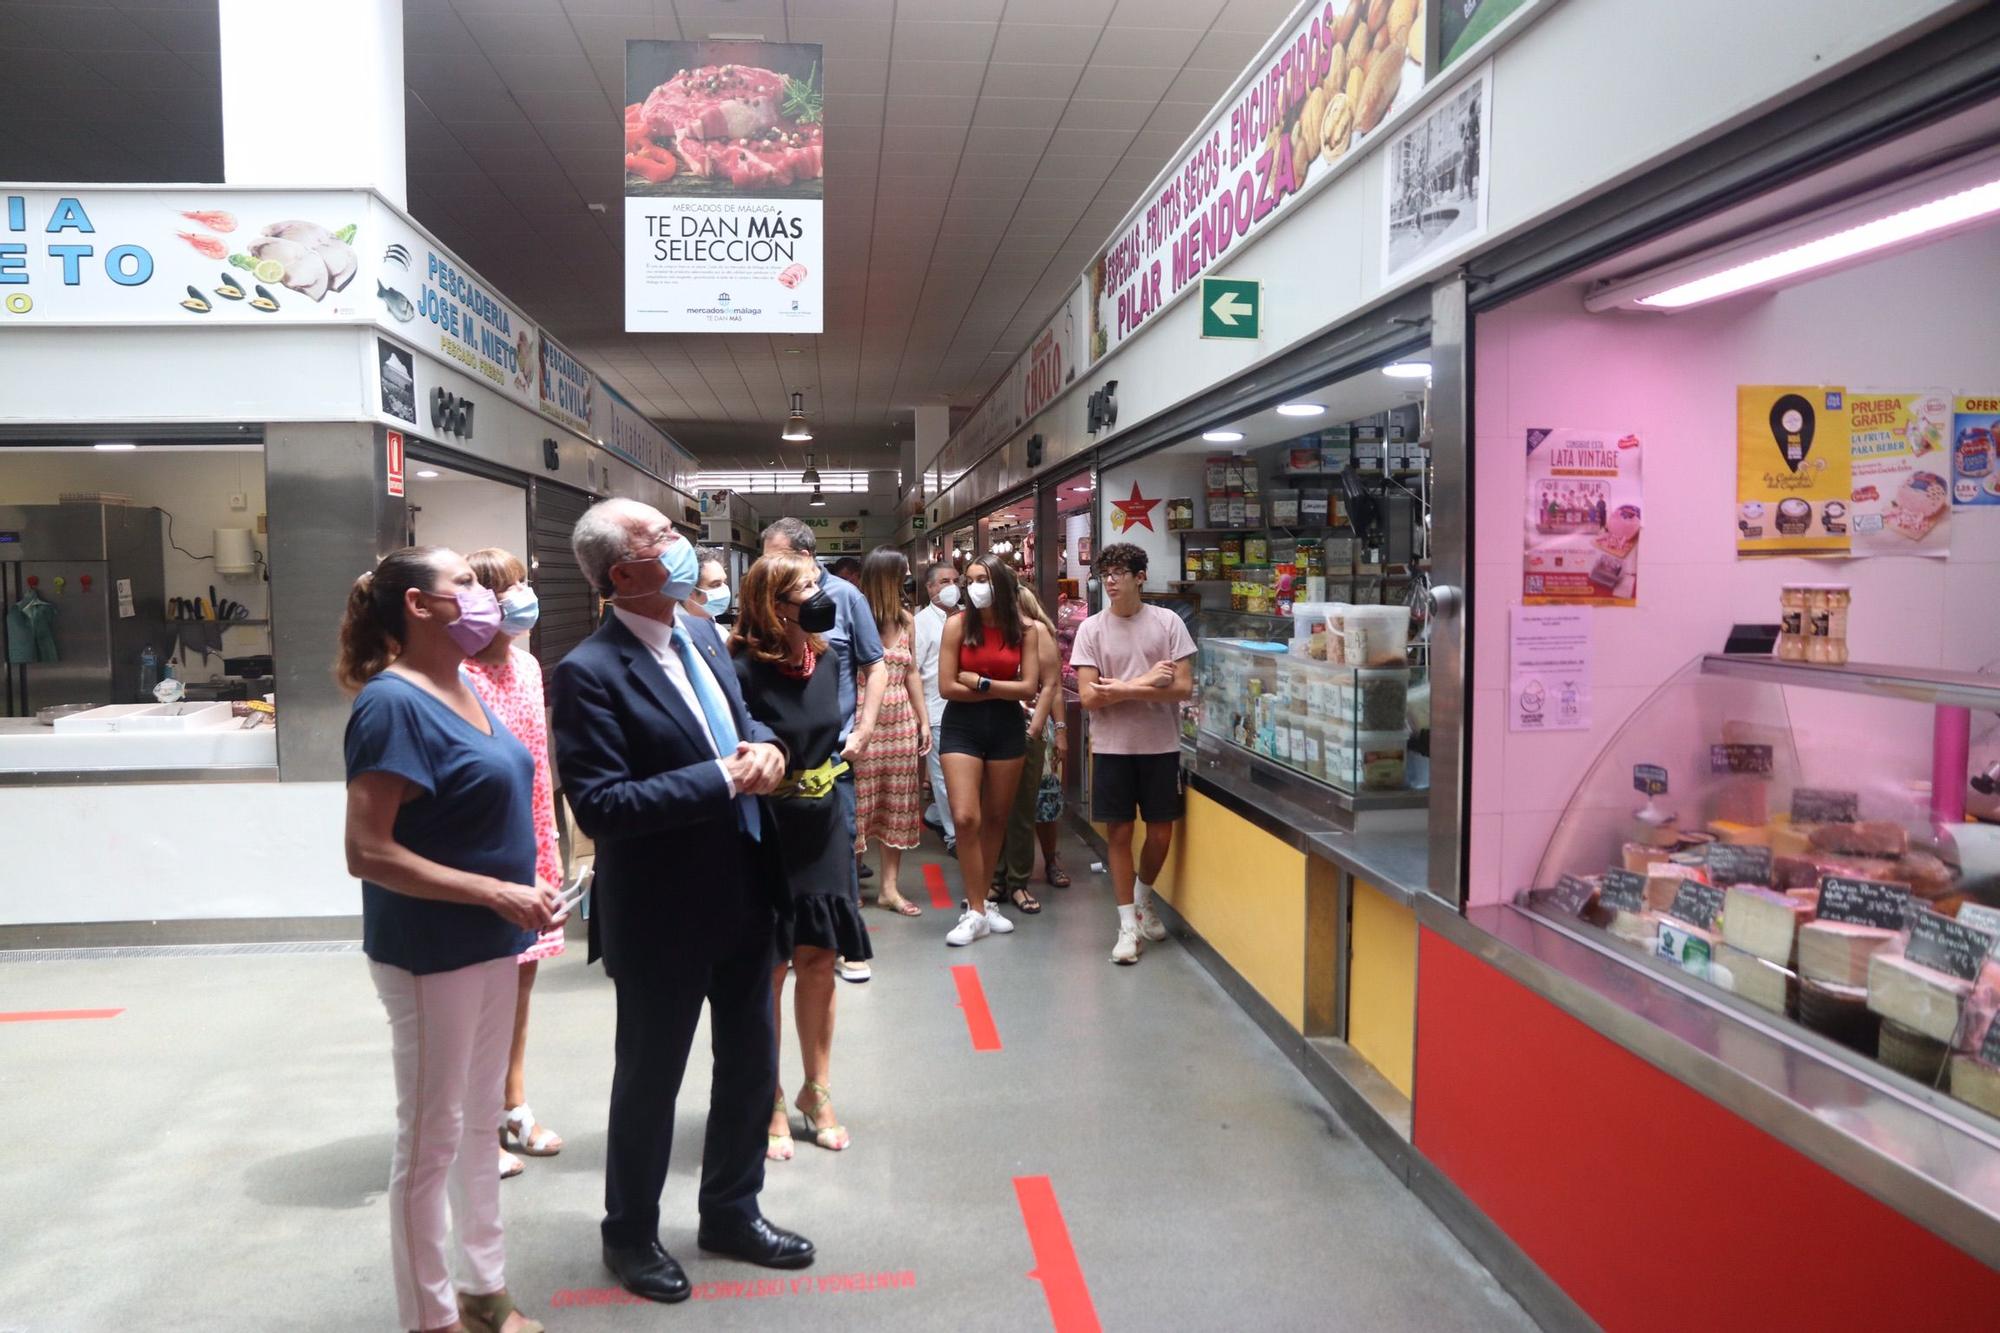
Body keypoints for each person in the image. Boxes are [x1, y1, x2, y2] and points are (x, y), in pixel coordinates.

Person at [550, 500, 813, 1305]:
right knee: (650, 1078)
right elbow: (602, 806)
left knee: (750, 1065)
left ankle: (732, 1210)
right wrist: (720, 778)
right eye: (660, 539)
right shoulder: (587, 672)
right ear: (620, 575)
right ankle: (629, 1232)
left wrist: (768, 749)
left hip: (745, 887)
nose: (680, 546)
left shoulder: (700, 634)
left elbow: (742, 725)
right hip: (662, 910)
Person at [339, 545, 562, 1333]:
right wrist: (495, 890)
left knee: (474, 1125)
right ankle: (429, 1318)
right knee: (430, 1141)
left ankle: (483, 1290)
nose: (484, 594)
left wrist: (521, 889)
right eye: (462, 583)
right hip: (431, 951)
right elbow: (367, 850)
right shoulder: (391, 704)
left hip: (490, 943)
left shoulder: (466, 684)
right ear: (418, 605)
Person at [728, 552, 873, 1159]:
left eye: (818, 582)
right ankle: (770, 1094)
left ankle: (818, 1089)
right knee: (771, 968)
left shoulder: (829, 656)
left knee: (819, 959)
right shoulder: (738, 667)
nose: (820, 594)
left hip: (823, 824)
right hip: (767, 826)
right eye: (805, 587)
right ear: (771, 602)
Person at [460, 548, 566, 1182]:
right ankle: (475, 1124)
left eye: (527, 583)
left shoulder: (528, 665)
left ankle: (512, 1104)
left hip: (537, 839)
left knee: (521, 984)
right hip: (487, 847)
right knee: (481, 991)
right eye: (511, 588)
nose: (525, 597)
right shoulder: (459, 675)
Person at [761, 518, 885, 984]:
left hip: (833, 752)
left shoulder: (846, 599)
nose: (768, 563)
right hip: (779, 754)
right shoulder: (769, 602)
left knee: (841, 844)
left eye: (777, 555)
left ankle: (846, 945)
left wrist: (864, 729)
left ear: (806, 555)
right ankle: (793, 937)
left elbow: (876, 666)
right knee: (783, 851)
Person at [1071, 542, 1197, 965]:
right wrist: (1143, 683)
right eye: (1105, 573)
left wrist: (1119, 688)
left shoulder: (1168, 622)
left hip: (1160, 746)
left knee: (1161, 833)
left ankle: (1143, 898)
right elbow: (1090, 698)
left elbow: (1182, 688)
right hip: (1112, 748)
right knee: (1120, 834)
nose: (1110, 580)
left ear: (1140, 577)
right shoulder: (1091, 629)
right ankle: (1127, 925)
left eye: (1119, 572)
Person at [937, 553, 1045, 947]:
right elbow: (947, 687)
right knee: (966, 817)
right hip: (961, 729)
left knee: (998, 817)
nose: (974, 586)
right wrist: (1001, 690)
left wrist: (981, 684)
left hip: (1006, 729)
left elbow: (1030, 687)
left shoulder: (1026, 630)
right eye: (970, 579)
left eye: (982, 578)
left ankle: (982, 905)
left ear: (1000, 584)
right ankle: (976, 909)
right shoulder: (957, 626)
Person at [851, 548, 929, 916]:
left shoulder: (906, 620)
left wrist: (923, 720)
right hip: (861, 722)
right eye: (904, 573)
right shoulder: (853, 617)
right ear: (889, 578)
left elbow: (911, 672)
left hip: (899, 725)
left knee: (896, 806)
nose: (909, 578)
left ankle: (889, 889)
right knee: (858, 807)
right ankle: (851, 884)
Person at [993, 587, 1066, 912]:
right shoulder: (990, 632)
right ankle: (997, 876)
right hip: (998, 726)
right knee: (996, 808)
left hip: (1030, 727)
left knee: (1030, 805)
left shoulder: (1038, 634)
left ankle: (1028, 874)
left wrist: (1050, 728)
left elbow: (1053, 687)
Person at [911, 561, 960, 855]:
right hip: (937, 711)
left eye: (955, 580)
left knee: (963, 780)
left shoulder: (969, 617)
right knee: (944, 779)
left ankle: (935, 816)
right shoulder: (920, 624)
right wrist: (921, 719)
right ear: (929, 588)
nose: (951, 587)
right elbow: (913, 671)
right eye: (943, 582)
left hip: (969, 710)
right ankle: (956, 836)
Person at [689, 548, 734, 624]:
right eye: (716, 585)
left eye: (725, 582)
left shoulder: (716, 628)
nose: (724, 589)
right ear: (690, 591)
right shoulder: (678, 630)